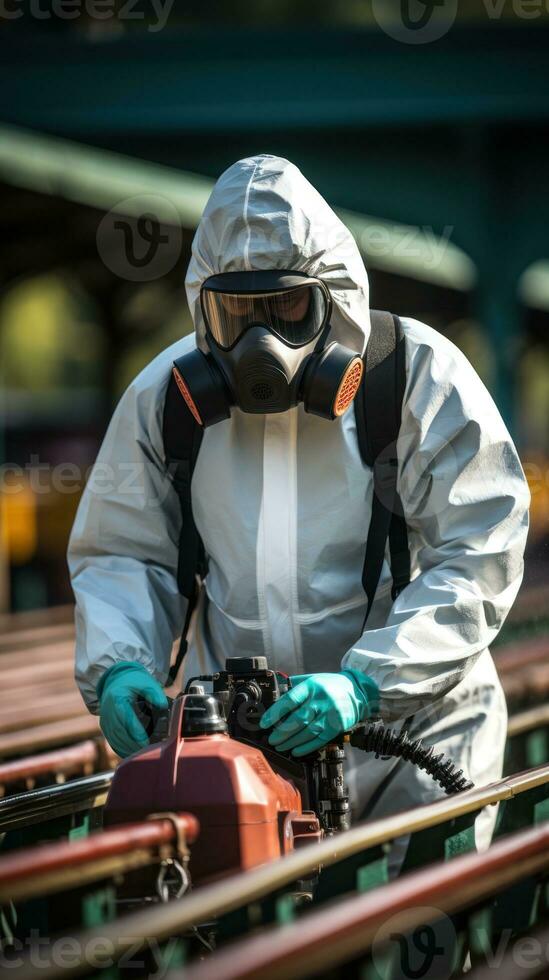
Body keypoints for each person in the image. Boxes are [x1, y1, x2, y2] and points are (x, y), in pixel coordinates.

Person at [69, 154, 529, 865]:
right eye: (237, 313)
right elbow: (124, 551)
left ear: (333, 299)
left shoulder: (415, 379)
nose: (261, 344)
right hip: (244, 756)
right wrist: (119, 663)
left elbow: (475, 554)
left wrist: (368, 685)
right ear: (204, 308)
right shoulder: (165, 398)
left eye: (287, 308)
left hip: (416, 741)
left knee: (406, 945)